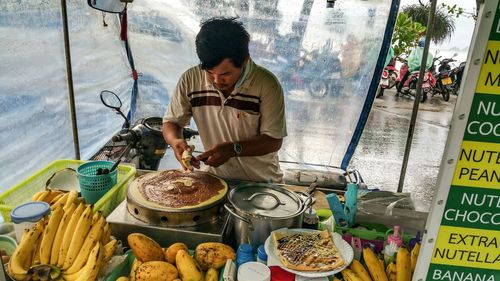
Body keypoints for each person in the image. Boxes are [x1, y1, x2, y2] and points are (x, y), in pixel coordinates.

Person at [162, 17, 287, 183]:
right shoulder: (190, 79)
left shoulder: (266, 84)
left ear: (244, 60)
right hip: (213, 179)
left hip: (260, 183)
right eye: (209, 72)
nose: (216, 80)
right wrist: (175, 141)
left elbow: (273, 141)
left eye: (225, 74)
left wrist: (233, 149)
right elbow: (172, 123)